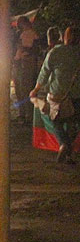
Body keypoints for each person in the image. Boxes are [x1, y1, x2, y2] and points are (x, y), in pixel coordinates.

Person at [31, 25, 80, 164]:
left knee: (56, 121)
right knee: (72, 123)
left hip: (57, 93)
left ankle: (64, 144)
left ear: (65, 37)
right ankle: (69, 153)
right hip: (76, 94)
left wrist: (35, 90)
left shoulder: (56, 52)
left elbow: (44, 73)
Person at [14, 16, 40, 119]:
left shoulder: (30, 34)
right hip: (23, 62)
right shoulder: (26, 34)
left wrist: (23, 49)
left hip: (26, 62)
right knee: (21, 89)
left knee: (25, 89)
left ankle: (27, 114)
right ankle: (24, 113)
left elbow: (32, 49)